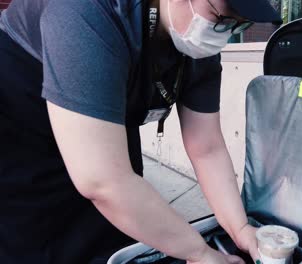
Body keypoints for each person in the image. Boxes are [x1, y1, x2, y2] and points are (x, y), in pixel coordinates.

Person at [0, 0, 281, 263]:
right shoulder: (87, 9)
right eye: (220, 18)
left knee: (120, 233)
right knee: (37, 239)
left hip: (107, 109)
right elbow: (103, 181)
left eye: (237, 25)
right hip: (24, 109)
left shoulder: (199, 49)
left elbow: (206, 147)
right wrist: (201, 253)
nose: (222, 34)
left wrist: (241, 228)